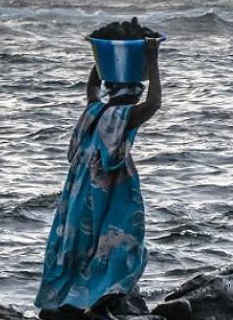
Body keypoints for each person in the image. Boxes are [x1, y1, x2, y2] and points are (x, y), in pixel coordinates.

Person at [35, 36, 161, 320]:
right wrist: (152, 58)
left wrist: (101, 58)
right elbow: (155, 103)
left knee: (79, 243)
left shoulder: (95, 110)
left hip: (80, 189)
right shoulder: (125, 114)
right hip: (111, 188)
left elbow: (92, 87)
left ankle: (67, 301)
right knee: (123, 241)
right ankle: (100, 301)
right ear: (133, 93)